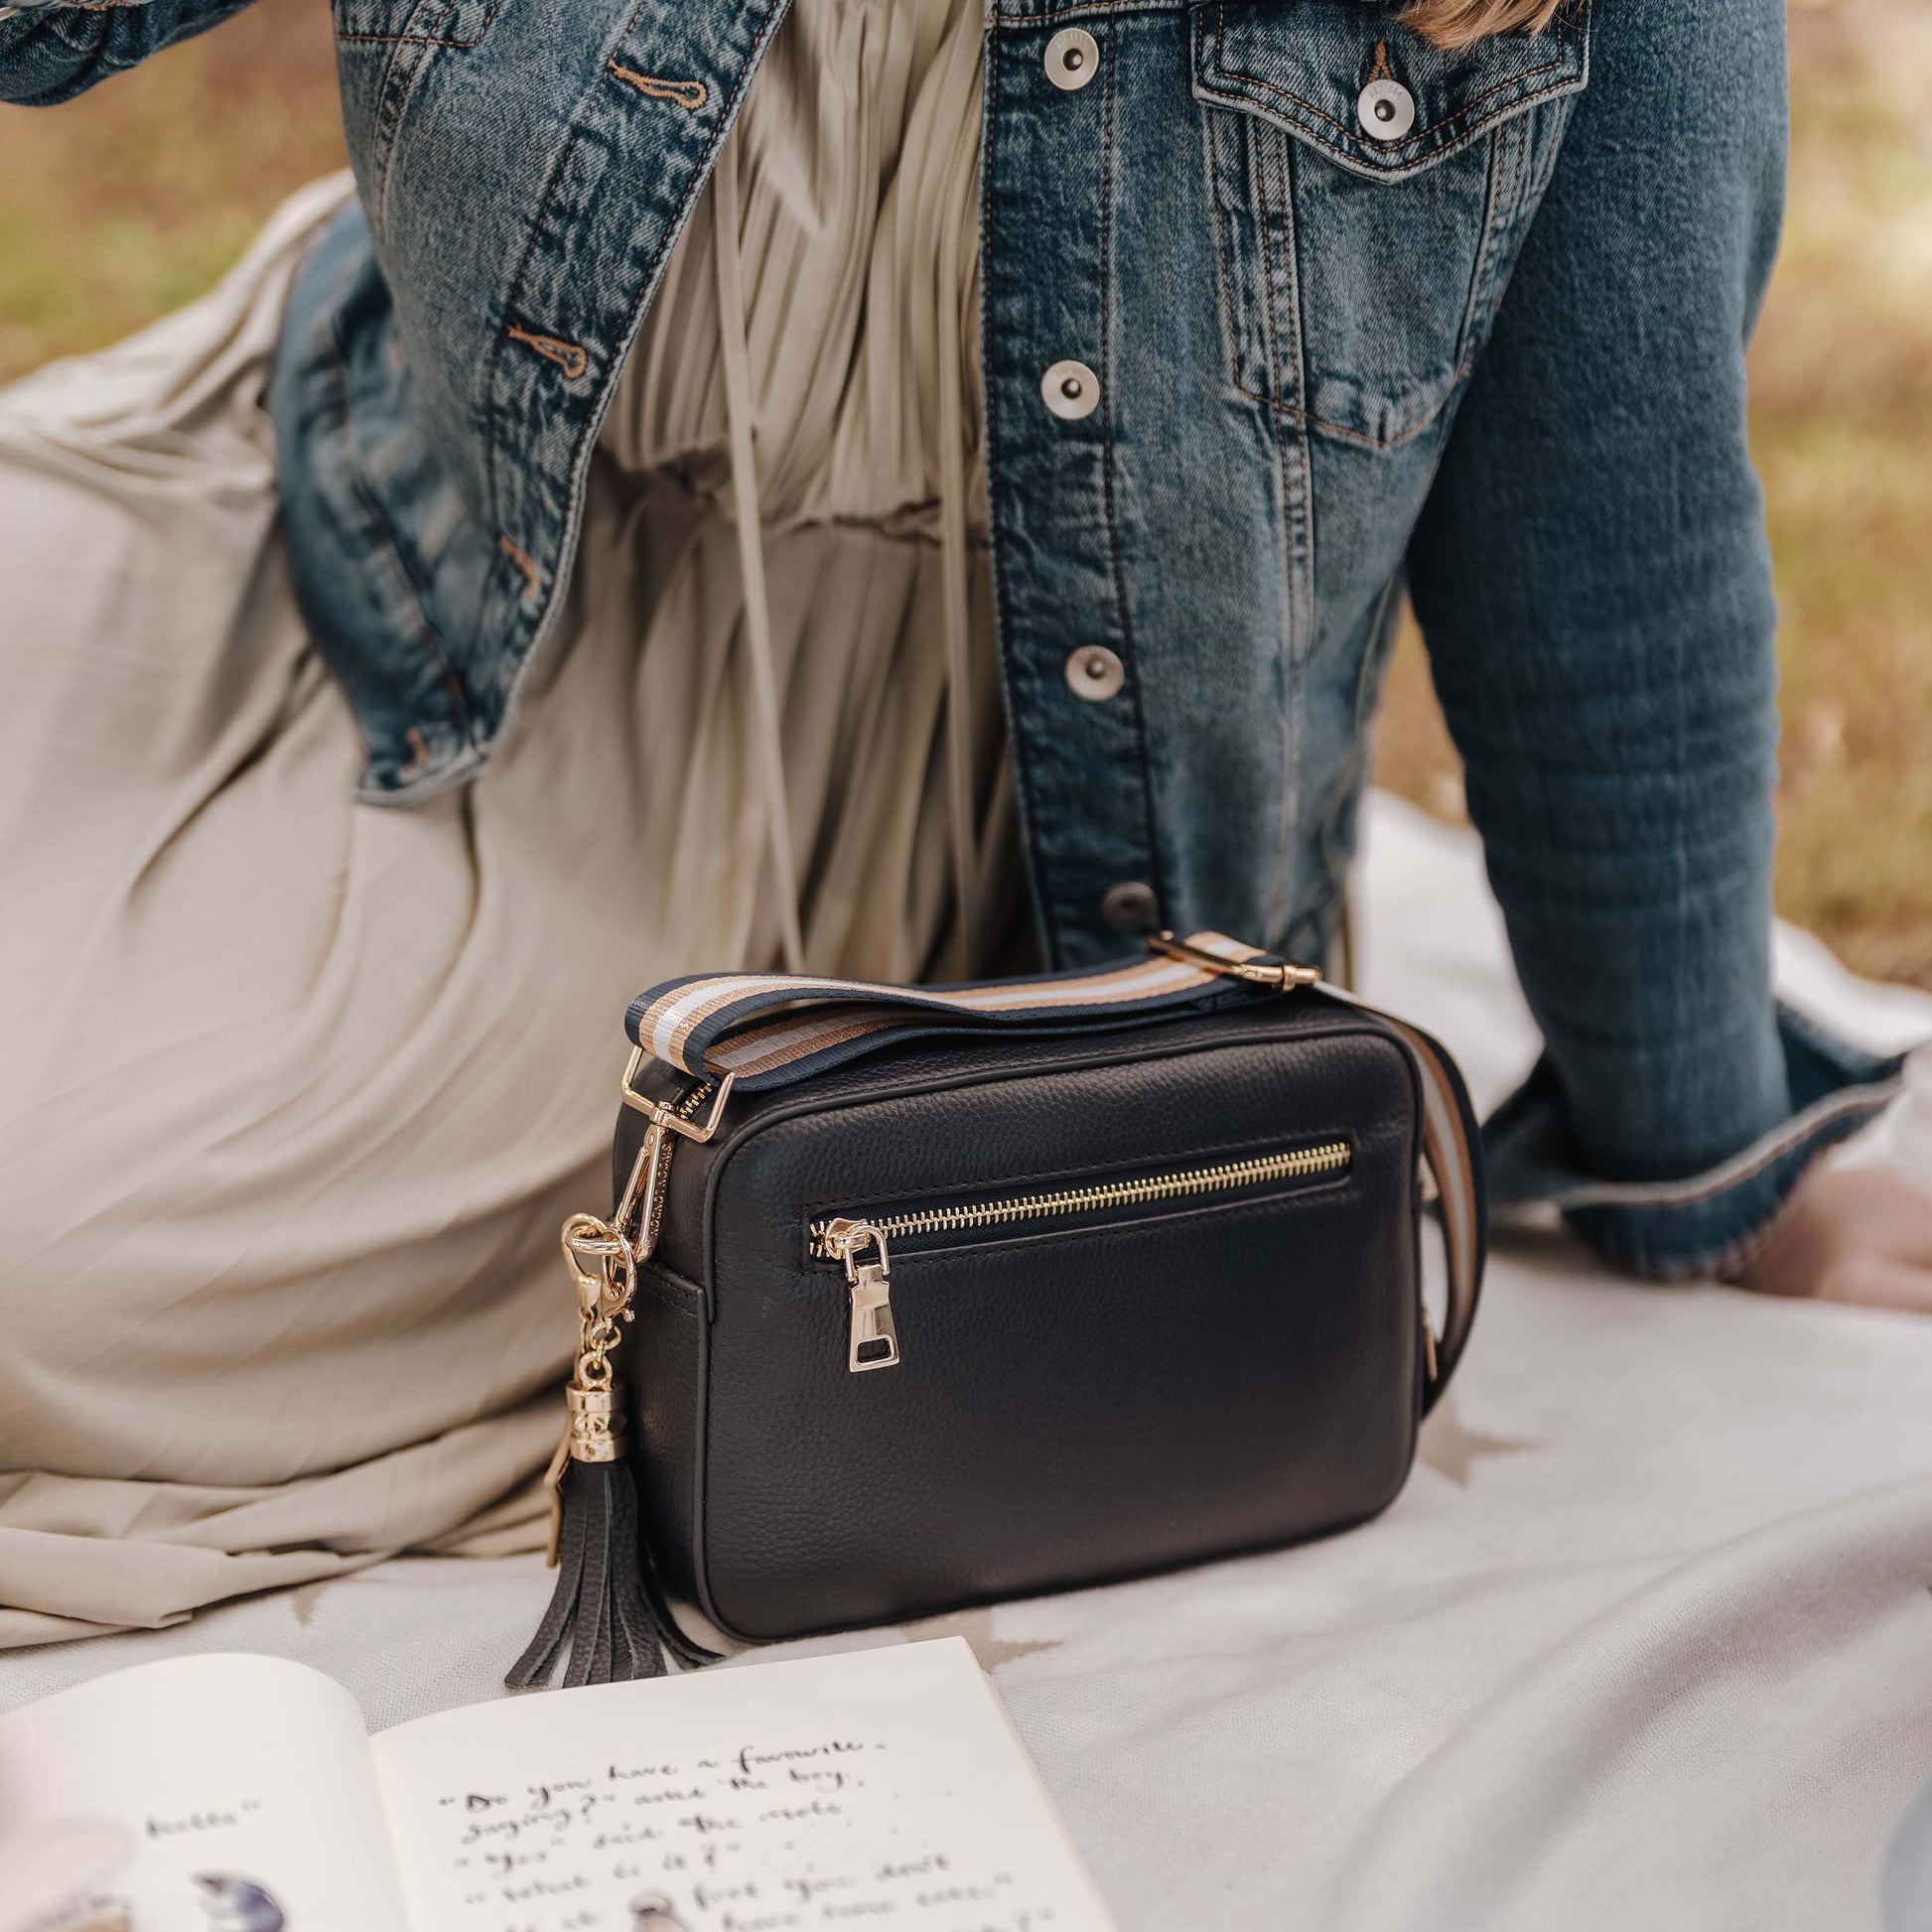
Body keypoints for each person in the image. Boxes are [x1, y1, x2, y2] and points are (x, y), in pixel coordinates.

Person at [0, 0, 1925, 1650]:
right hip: (388, 519)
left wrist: (1707, 1150)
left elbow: (1608, 550)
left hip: (874, 802)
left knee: (42, 1262)